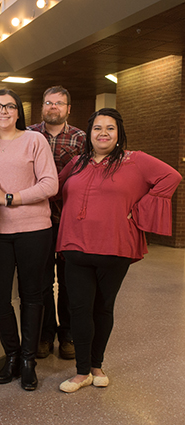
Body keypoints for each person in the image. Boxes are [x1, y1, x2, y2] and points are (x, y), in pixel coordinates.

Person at [56, 108, 182, 393]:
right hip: (75, 246)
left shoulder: (134, 161)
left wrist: (139, 210)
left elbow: (171, 177)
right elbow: (55, 188)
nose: (103, 133)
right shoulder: (76, 163)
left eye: (109, 128)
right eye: (97, 128)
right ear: (89, 134)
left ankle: (96, 365)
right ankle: (80, 372)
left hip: (115, 247)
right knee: (78, 309)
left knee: (103, 307)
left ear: (119, 133)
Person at [0, 89, 58, 391]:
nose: (3, 111)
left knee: (32, 296)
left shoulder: (35, 140)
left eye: (10, 106)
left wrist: (12, 198)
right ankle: (13, 355)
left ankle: (29, 361)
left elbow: (50, 184)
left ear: (19, 112)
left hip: (34, 230)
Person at [28, 86, 86, 360]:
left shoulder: (81, 139)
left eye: (60, 103)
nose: (54, 107)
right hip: (35, 219)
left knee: (69, 281)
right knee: (40, 281)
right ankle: (44, 333)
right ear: (42, 106)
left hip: (69, 221)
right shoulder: (26, 135)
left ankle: (68, 335)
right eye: (49, 102)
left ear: (68, 109)